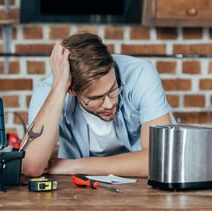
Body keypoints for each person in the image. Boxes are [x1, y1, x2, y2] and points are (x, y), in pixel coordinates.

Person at [20, 32, 175, 177]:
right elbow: (31, 166)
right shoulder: (49, 91)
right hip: (78, 191)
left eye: (113, 89)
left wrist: (75, 166)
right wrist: (59, 87)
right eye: (96, 98)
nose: (108, 104)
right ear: (72, 91)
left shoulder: (141, 74)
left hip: (142, 187)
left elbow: (160, 160)